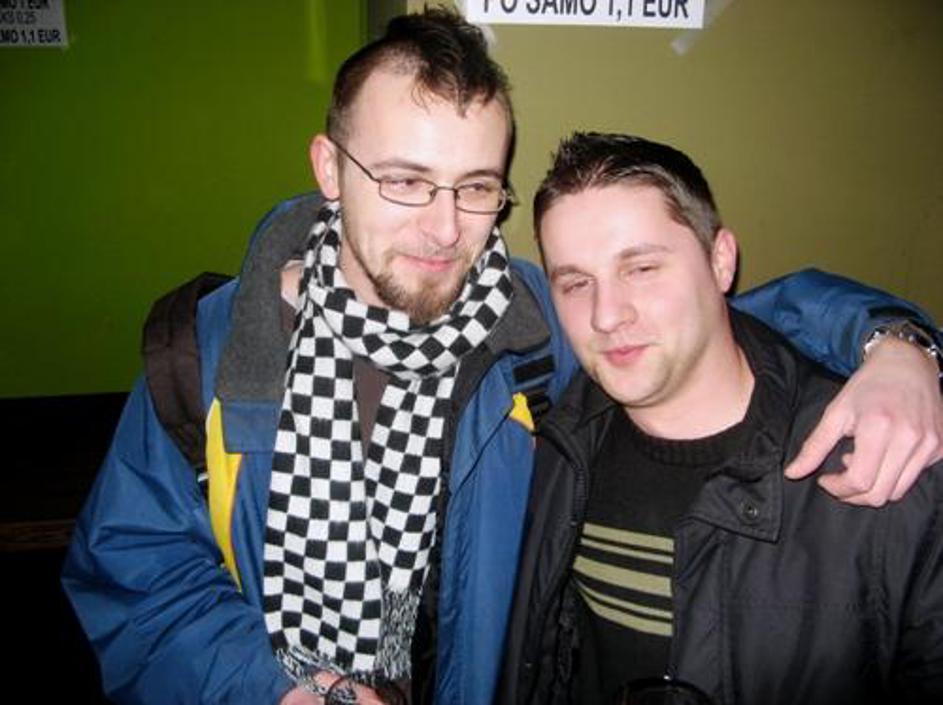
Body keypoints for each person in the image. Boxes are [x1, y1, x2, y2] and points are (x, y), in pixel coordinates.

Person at [61, 9, 943, 705]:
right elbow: (135, 571)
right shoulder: (208, 350)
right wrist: (270, 690)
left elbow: (705, 316)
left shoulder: (531, 323)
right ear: (330, 168)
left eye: (476, 187)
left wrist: (894, 344)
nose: (445, 229)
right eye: (405, 180)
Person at [500, 132, 943, 705]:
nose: (606, 316)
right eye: (576, 283)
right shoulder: (558, 446)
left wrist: (906, 348)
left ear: (721, 260)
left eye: (642, 268)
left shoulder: (890, 459)